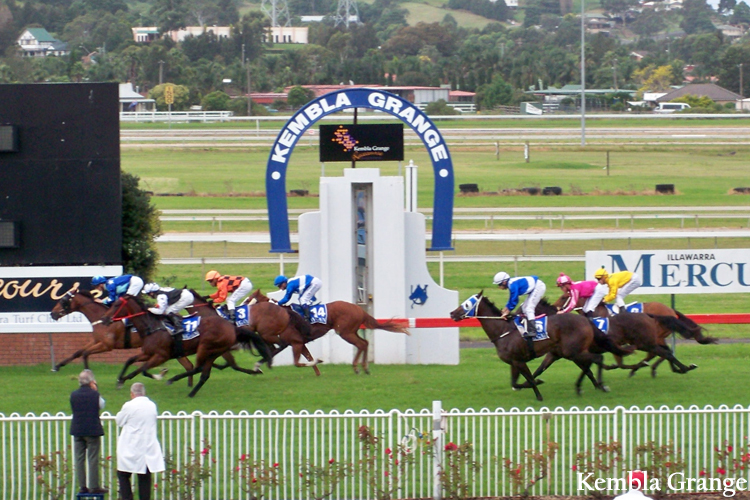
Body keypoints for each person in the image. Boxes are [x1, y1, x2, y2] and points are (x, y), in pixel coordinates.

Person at [116, 382, 165, 500]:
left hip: (131, 446)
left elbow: (119, 421)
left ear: (132, 394)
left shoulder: (129, 405)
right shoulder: (152, 405)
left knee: (123, 474)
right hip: (148, 447)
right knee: (144, 478)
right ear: (144, 393)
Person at [70, 369, 107, 495]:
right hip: (92, 430)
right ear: (92, 382)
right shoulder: (94, 395)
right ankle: (93, 486)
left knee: (79, 459)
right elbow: (102, 405)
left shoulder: (73, 394)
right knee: (92, 458)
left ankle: (82, 486)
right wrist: (95, 390)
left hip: (77, 429)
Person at [492, 271, 547, 338]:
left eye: (499, 285)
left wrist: (507, 311)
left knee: (529, 308)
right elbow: (511, 299)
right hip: (534, 288)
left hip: (538, 287)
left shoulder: (512, 285)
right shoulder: (511, 283)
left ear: (504, 282)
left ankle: (533, 331)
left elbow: (515, 300)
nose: (499, 287)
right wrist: (505, 309)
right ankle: (527, 326)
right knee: (524, 308)